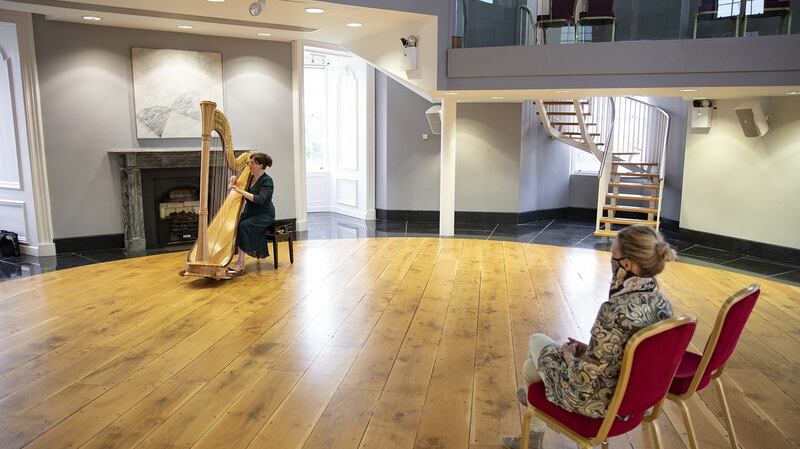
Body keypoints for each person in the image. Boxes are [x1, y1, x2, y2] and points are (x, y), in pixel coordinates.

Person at [503, 225, 676, 449]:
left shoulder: (613, 310)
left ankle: (536, 422)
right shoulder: (663, 305)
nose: (611, 261)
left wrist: (568, 356)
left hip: (595, 403)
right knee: (530, 369)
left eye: (613, 256)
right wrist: (588, 349)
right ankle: (534, 424)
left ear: (627, 264)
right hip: (633, 402)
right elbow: (629, 356)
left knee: (536, 341)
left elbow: (582, 377)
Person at [226, 152, 275, 276]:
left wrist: (241, 191)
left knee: (244, 226)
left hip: (264, 214)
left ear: (260, 165)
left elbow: (260, 199)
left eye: (252, 163)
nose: (249, 165)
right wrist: (233, 180)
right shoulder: (249, 177)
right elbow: (234, 186)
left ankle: (240, 263)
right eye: (248, 163)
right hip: (250, 212)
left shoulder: (267, 181)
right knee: (234, 224)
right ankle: (226, 258)